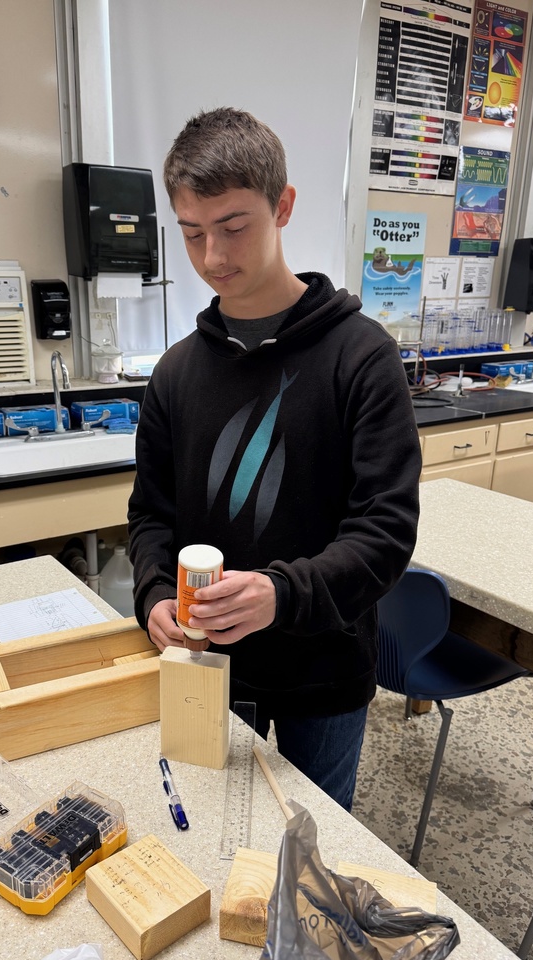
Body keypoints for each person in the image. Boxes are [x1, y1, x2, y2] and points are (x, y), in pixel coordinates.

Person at [127, 107, 421, 812]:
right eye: (192, 234)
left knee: (308, 858)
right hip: (208, 669)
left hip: (324, 670)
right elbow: (150, 518)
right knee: (209, 847)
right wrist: (153, 595)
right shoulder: (175, 374)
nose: (213, 258)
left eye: (233, 226)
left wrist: (281, 594)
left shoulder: (362, 358)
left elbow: (385, 533)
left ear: (283, 206)